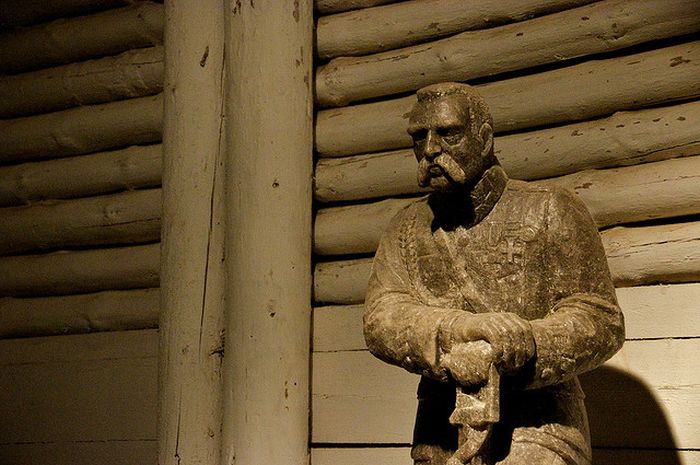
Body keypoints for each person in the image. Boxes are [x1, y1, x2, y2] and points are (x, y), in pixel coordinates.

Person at [364, 82, 625, 465]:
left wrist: (523, 342)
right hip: (442, 428)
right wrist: (456, 328)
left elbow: (600, 318)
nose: (431, 149)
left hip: (540, 424)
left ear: (485, 139)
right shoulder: (407, 228)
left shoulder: (552, 209)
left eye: (448, 133)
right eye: (420, 137)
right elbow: (381, 318)